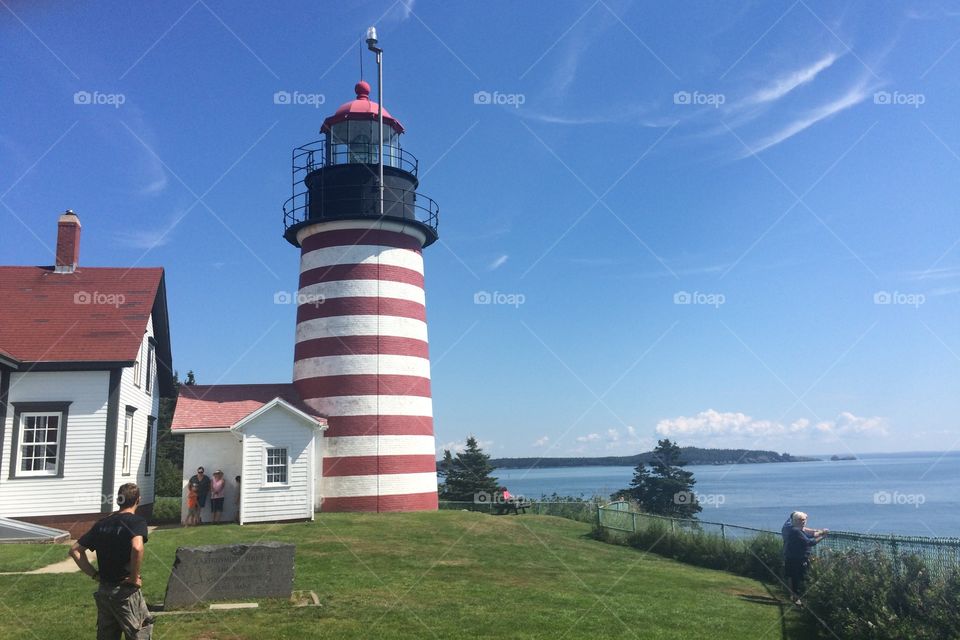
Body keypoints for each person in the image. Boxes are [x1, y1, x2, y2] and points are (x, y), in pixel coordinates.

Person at [69, 482, 153, 639]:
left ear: (118, 500)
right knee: (139, 633)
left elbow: (75, 550)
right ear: (138, 500)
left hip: (104, 591)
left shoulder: (101, 524)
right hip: (125, 591)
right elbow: (137, 547)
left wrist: (95, 575)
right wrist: (134, 578)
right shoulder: (136, 522)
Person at [783, 511, 828, 606]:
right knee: (799, 578)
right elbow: (810, 542)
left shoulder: (798, 530)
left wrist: (820, 532)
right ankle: (798, 599)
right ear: (795, 521)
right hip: (797, 559)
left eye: (804, 520)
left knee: (798, 578)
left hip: (797, 558)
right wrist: (823, 537)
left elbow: (810, 533)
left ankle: (798, 598)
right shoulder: (796, 531)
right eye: (800, 520)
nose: (803, 521)